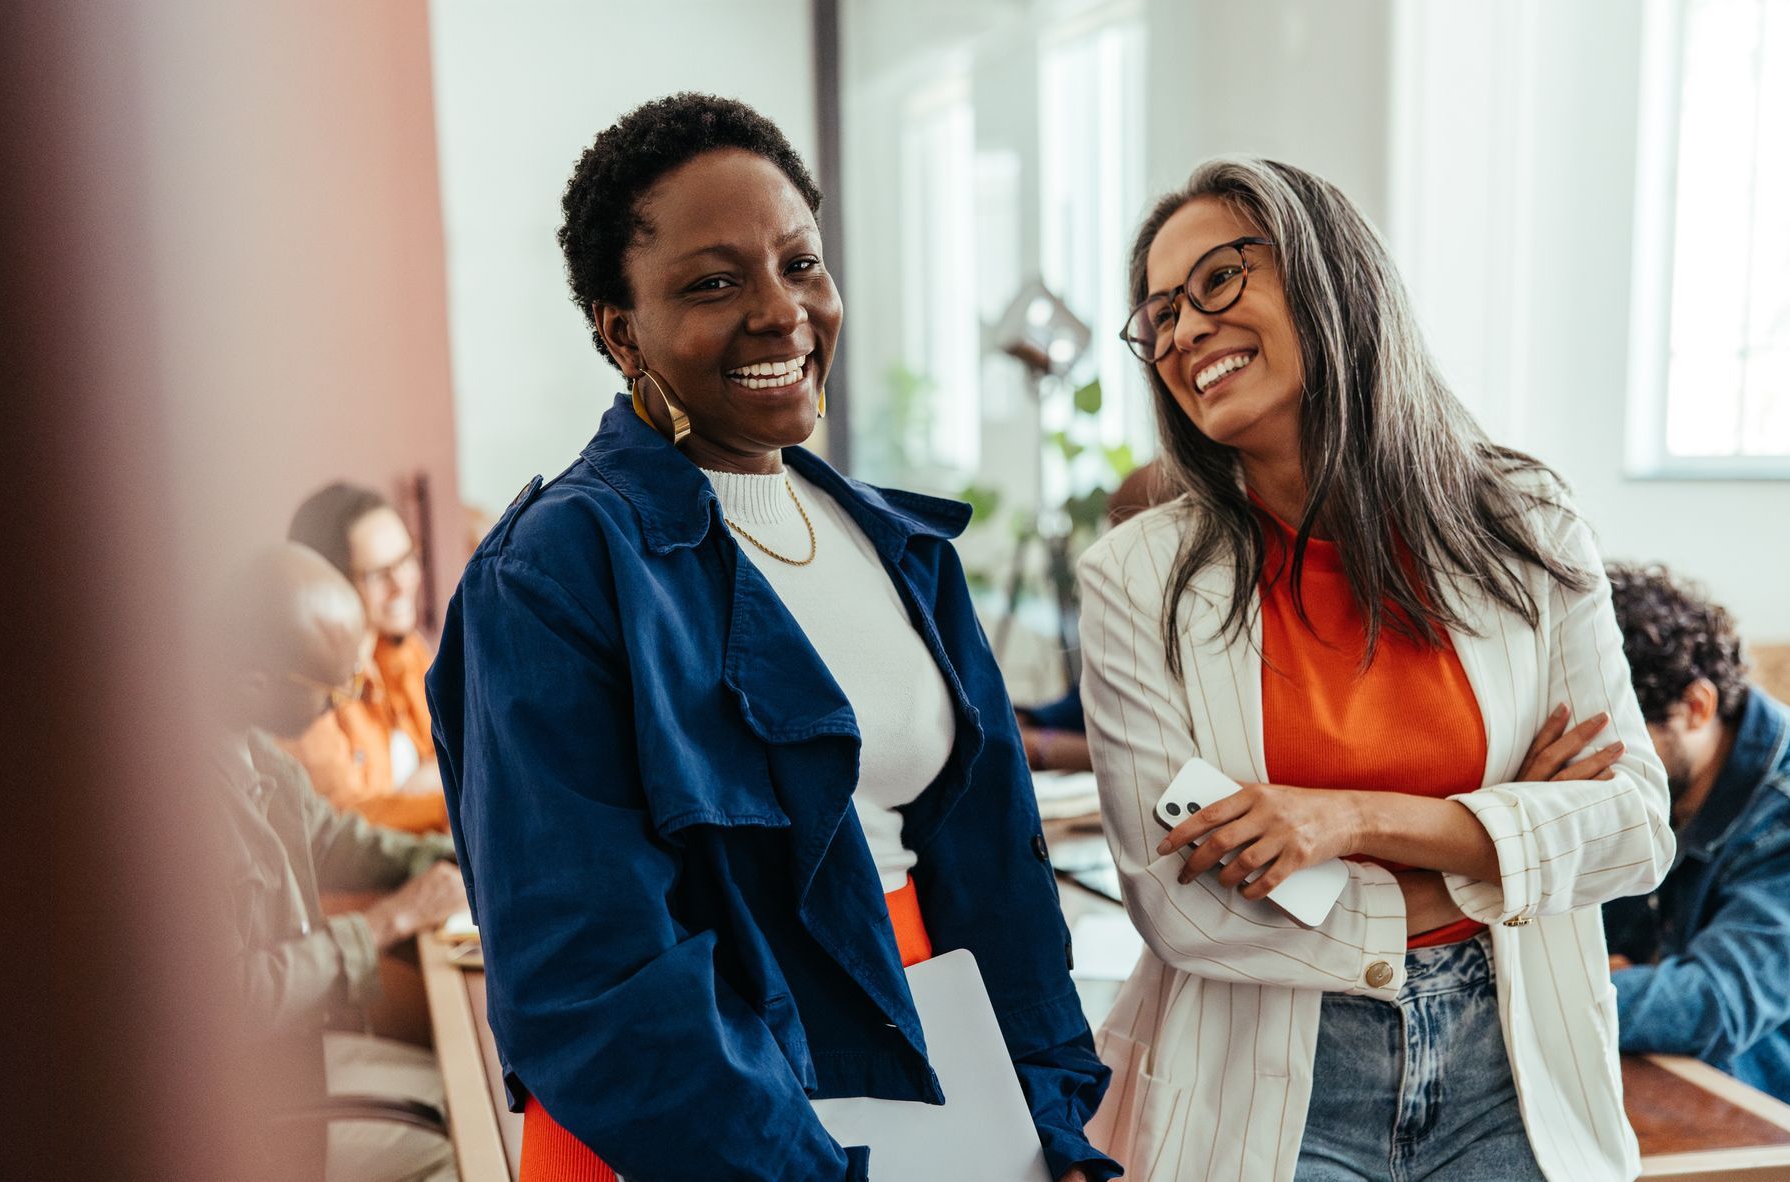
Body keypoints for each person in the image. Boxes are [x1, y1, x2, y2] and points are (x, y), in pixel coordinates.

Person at [427, 94, 1115, 1182]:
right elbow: (589, 979)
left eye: (800, 264)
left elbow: (997, 880)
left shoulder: (901, 545)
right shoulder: (556, 571)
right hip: (703, 1124)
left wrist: (1050, 1122)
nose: (781, 311)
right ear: (622, 329)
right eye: (713, 282)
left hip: (943, 1079)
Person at [1075, 156, 1675, 1182]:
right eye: (1159, 314)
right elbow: (1187, 906)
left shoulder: (1526, 520)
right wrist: (1502, 836)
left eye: (1216, 281)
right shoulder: (1136, 577)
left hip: (1516, 1071)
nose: (1181, 332)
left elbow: (1633, 828)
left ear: (1328, 273)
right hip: (1269, 1082)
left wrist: (1342, 818)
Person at [215, 543, 468, 1180]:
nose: (344, 705)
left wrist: (459, 858)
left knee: (460, 1087)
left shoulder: (255, 749)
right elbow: (237, 996)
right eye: (333, 689)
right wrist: (388, 922)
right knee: (463, 1147)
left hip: (299, 1057)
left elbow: (330, 837)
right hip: (243, 1112)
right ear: (255, 684)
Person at [1602, 563, 1790, 1126]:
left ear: (1697, 707)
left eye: (1618, 743)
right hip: (1676, 1085)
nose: (1592, 772)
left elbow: (1711, 1004)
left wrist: (1569, 988)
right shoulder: (1652, 782)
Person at [285, 483, 447, 833]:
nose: (403, 582)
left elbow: (455, 752)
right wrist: (452, 801)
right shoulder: (306, 692)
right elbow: (346, 821)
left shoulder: (403, 649)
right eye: (378, 574)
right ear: (330, 584)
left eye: (406, 560)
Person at [1018, 464, 1175, 775]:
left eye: (1129, 536)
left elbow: (1154, 760)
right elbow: (1082, 707)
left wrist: (1046, 747)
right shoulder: (1134, 627)